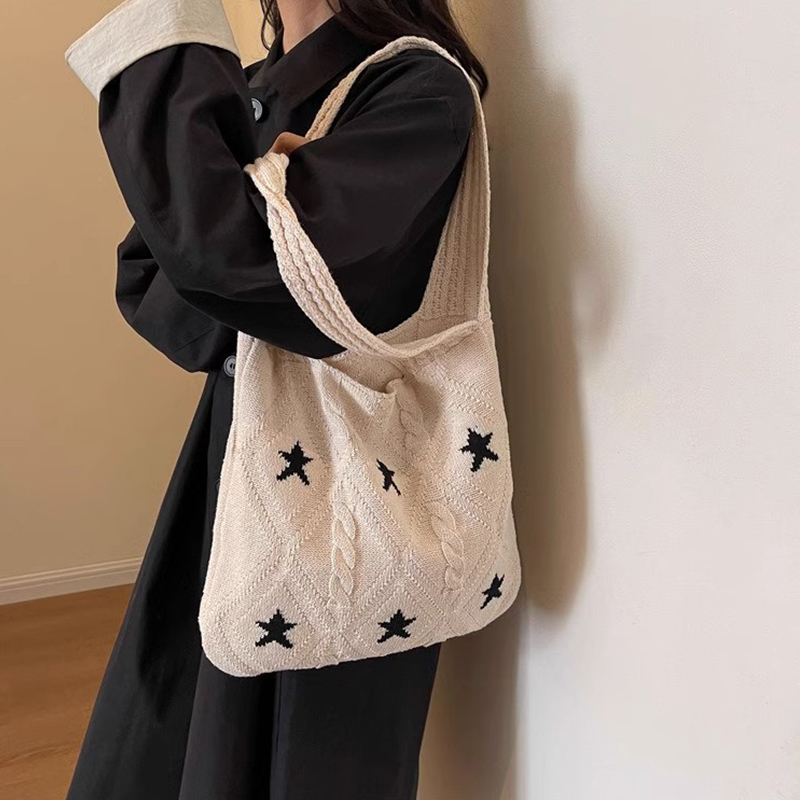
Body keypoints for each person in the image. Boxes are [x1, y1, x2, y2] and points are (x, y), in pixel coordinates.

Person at [64, 1, 486, 797]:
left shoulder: (417, 87)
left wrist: (241, 236)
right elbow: (163, 288)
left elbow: (232, 261)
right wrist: (248, 236)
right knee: (174, 730)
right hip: (235, 454)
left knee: (308, 752)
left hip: (351, 486)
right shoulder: (252, 86)